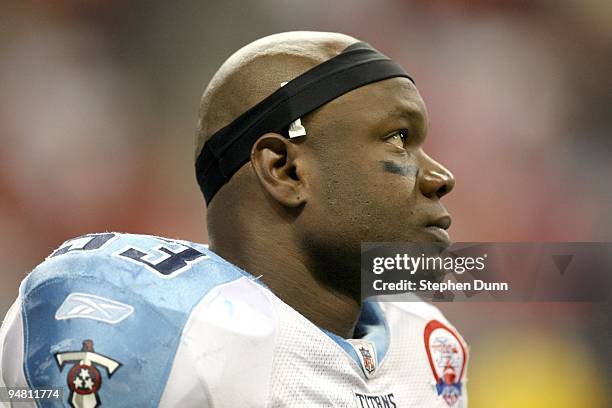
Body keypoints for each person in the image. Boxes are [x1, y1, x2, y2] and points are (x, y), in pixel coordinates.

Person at [0, 31, 468, 407]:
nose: (440, 177)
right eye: (399, 138)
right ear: (285, 169)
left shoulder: (426, 344)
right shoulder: (162, 328)